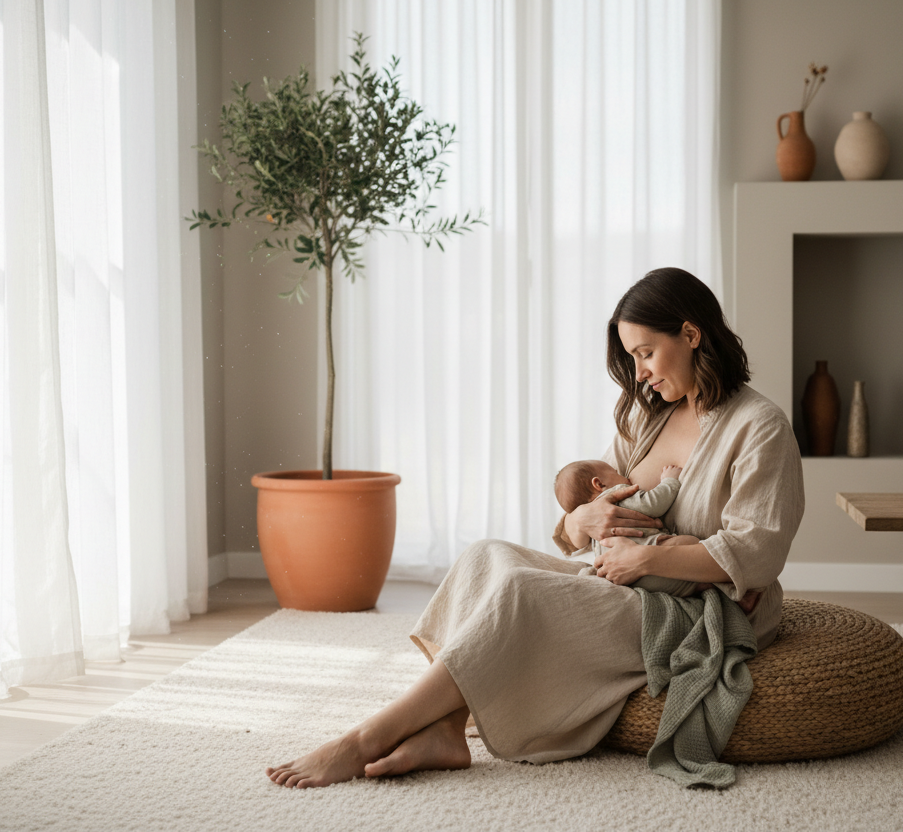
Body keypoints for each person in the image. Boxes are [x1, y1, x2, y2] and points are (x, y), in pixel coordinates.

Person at [266, 266, 805, 788]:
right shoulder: (651, 416)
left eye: (644, 353)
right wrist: (578, 520)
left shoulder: (759, 427)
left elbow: (756, 552)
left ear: (691, 334)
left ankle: (365, 738)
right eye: (632, 357)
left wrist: (645, 559)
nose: (638, 372)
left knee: (524, 592)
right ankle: (446, 729)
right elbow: (586, 514)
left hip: (699, 604)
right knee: (487, 557)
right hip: (621, 572)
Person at [553, 459, 702, 596]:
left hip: (620, 576)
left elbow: (578, 542)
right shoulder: (617, 496)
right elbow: (653, 504)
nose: (625, 476)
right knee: (691, 542)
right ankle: (694, 585)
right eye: (616, 473)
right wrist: (670, 481)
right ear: (599, 484)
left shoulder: (593, 527)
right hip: (652, 558)